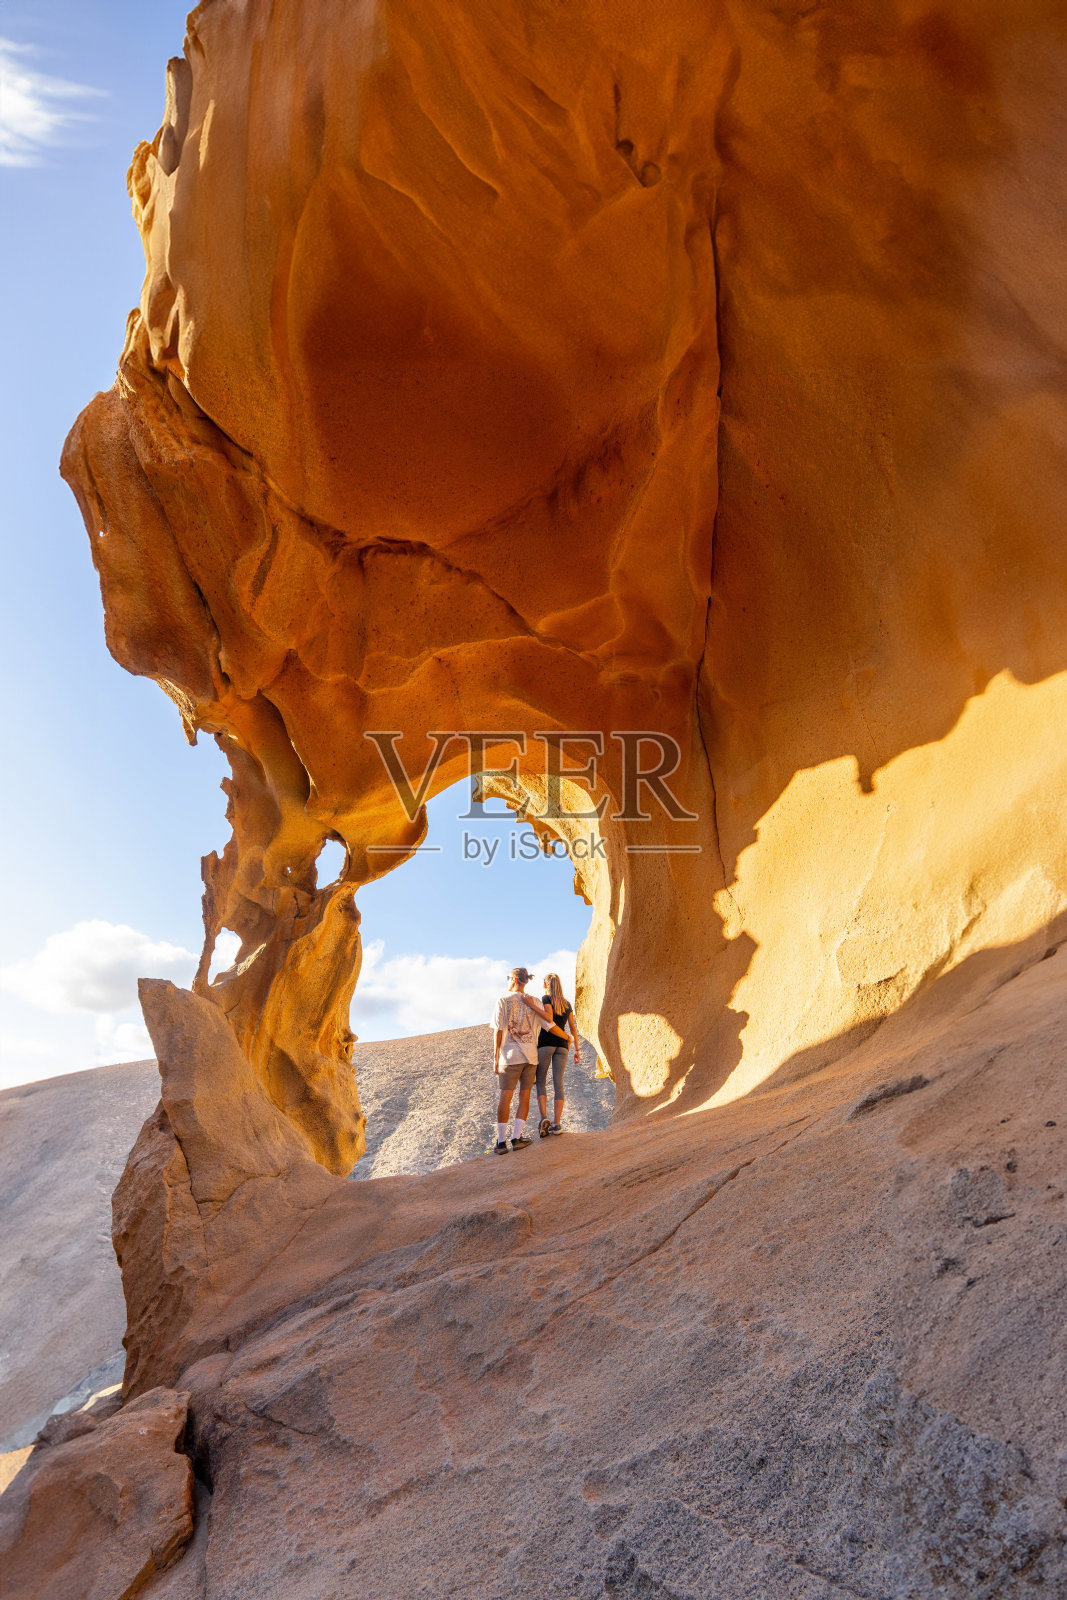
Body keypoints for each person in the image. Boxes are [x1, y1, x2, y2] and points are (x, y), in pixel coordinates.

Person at [491, 968, 553, 1155]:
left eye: (508, 978)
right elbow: (548, 1024)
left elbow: (499, 1030)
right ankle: (517, 1138)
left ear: (515, 979)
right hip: (530, 1057)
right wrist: (567, 1039)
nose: (507, 981)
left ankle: (501, 1142)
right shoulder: (534, 1001)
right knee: (523, 1097)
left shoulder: (503, 1001)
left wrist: (495, 1057)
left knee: (505, 1097)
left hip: (510, 1057)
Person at [536, 972, 580, 1137]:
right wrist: (576, 1050)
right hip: (563, 1046)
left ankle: (543, 1119)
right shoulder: (567, 1004)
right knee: (558, 1083)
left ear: (546, 985)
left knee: (540, 1080)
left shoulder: (546, 999)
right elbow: (573, 1029)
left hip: (546, 1043)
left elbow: (548, 1018)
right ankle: (557, 1124)